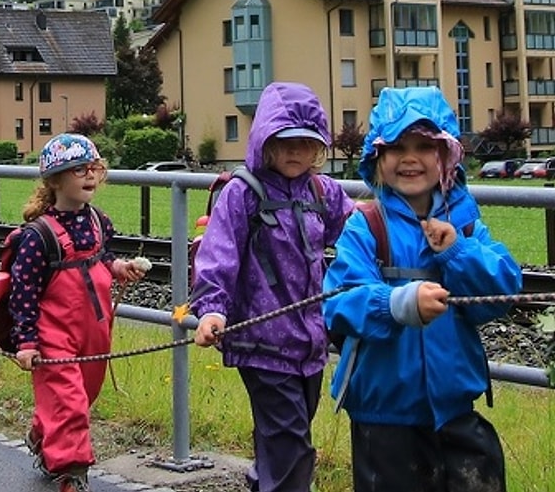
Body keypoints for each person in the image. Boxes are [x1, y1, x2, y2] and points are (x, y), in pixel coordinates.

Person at [323, 87, 520, 492]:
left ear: (446, 157)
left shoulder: (464, 225)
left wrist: (457, 253)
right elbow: (337, 302)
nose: (410, 158)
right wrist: (398, 303)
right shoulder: (366, 226)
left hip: (455, 409)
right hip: (385, 416)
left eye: (424, 146)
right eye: (396, 147)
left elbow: (504, 289)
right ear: (377, 159)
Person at [191, 81, 354, 492]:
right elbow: (219, 254)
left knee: (285, 435)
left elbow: (359, 235)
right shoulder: (242, 195)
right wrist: (212, 308)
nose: (296, 151)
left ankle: (262, 482)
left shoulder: (324, 192)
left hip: (310, 343)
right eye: (286, 142)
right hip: (261, 342)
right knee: (292, 444)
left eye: (306, 142)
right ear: (265, 139)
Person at [9, 133, 146, 492]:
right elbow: (23, 293)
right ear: (55, 180)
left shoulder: (100, 222)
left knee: (82, 395)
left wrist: (119, 267)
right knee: (69, 402)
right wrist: (25, 341)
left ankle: (42, 432)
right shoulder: (38, 236)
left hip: (95, 328)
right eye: (78, 170)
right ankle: (72, 471)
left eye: (94, 169)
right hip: (54, 334)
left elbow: (101, 259)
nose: (89, 176)